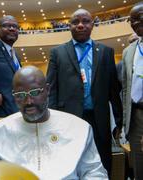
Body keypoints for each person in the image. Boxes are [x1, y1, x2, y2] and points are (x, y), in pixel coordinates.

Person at [0, 66, 108, 179]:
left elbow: (94, 173)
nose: (29, 102)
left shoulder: (78, 128)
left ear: (47, 90)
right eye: (20, 95)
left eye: (35, 92)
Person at [46, 8, 123, 177]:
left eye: (85, 21)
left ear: (93, 25)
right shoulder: (57, 53)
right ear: (69, 26)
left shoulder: (106, 52)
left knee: (102, 161)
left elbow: (113, 90)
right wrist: (52, 118)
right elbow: (51, 89)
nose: (80, 25)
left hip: (99, 119)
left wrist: (118, 120)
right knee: (70, 162)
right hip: (68, 118)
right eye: (75, 22)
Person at [122, 2, 143, 179]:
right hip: (135, 116)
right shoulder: (129, 51)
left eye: (141, 16)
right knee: (138, 164)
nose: (138, 21)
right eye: (134, 19)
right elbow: (126, 87)